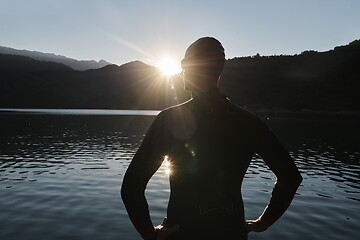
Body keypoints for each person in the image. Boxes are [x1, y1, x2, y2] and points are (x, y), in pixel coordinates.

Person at [121, 37, 302, 240]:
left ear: (191, 68)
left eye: (184, 64)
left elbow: (131, 187)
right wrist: (263, 223)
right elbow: (291, 177)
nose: (181, 71)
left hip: (184, 232)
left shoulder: (170, 119)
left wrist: (148, 232)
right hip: (231, 231)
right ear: (219, 71)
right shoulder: (250, 123)